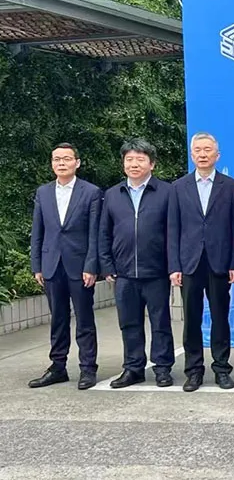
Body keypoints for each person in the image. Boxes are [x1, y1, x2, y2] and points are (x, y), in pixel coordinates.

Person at [168, 132, 234, 392]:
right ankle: (194, 370)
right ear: (192, 155)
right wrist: (174, 266)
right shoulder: (178, 187)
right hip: (189, 262)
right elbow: (173, 229)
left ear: (217, 155)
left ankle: (222, 369)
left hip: (219, 262)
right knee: (191, 319)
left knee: (220, 318)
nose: (202, 154)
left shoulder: (230, 186)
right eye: (198, 150)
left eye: (207, 150)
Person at [99, 138, 174, 389]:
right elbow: (104, 233)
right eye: (129, 159)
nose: (134, 164)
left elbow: (174, 232)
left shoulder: (167, 192)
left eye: (140, 159)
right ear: (123, 164)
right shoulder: (112, 194)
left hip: (157, 271)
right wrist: (107, 265)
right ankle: (133, 368)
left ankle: (162, 368)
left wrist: (173, 266)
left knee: (160, 322)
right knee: (129, 323)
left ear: (152, 164)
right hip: (124, 273)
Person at [28, 143, 103, 390]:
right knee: (58, 319)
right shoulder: (43, 192)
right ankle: (57, 367)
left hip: (80, 266)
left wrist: (92, 265)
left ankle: (88, 368)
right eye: (56, 159)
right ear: (52, 163)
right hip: (51, 265)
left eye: (66, 158)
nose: (61, 163)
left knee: (84, 319)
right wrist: (37, 265)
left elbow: (95, 233)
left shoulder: (91, 192)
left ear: (77, 163)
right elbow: (38, 232)